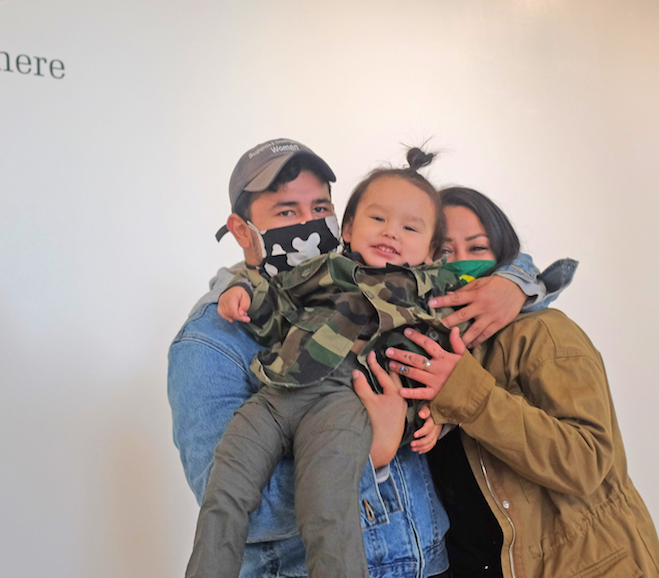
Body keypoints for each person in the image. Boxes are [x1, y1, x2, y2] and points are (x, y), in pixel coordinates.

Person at [168, 139, 569, 578]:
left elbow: (489, 261)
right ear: (243, 230)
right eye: (286, 212)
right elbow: (237, 500)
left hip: (431, 563)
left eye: (321, 208)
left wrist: (512, 284)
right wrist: (370, 454)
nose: (308, 225)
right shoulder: (209, 341)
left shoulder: (386, 275)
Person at [384, 187, 659, 578]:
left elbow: (586, 462)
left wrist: (468, 394)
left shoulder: (545, 334)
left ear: (503, 259)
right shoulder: (422, 343)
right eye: (444, 252)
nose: (460, 263)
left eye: (477, 248)